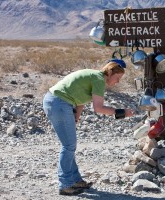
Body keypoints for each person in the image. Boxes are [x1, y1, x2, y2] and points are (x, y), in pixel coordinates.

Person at [42, 59, 134, 196]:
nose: (118, 82)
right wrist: (122, 112)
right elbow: (98, 108)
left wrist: (76, 117)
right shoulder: (99, 79)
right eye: (118, 78)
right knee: (68, 146)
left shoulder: (94, 77)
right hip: (59, 103)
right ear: (109, 73)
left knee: (69, 145)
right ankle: (65, 184)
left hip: (57, 102)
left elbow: (80, 99)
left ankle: (76, 180)